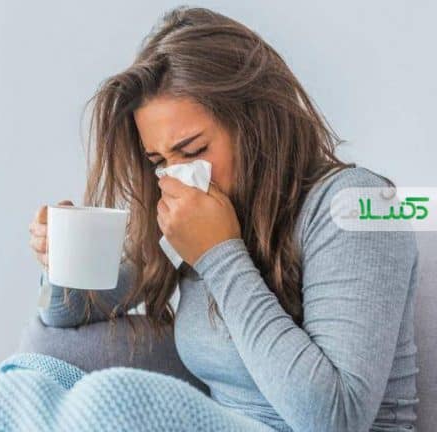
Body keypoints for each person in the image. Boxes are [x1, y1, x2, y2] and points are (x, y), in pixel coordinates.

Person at [27, 6, 419, 432]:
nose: (179, 176)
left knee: (109, 398)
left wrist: (219, 254)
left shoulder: (357, 205)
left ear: (257, 123)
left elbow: (335, 419)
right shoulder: (195, 218)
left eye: (194, 151)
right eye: (160, 161)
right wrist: (61, 260)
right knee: (27, 383)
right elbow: (67, 317)